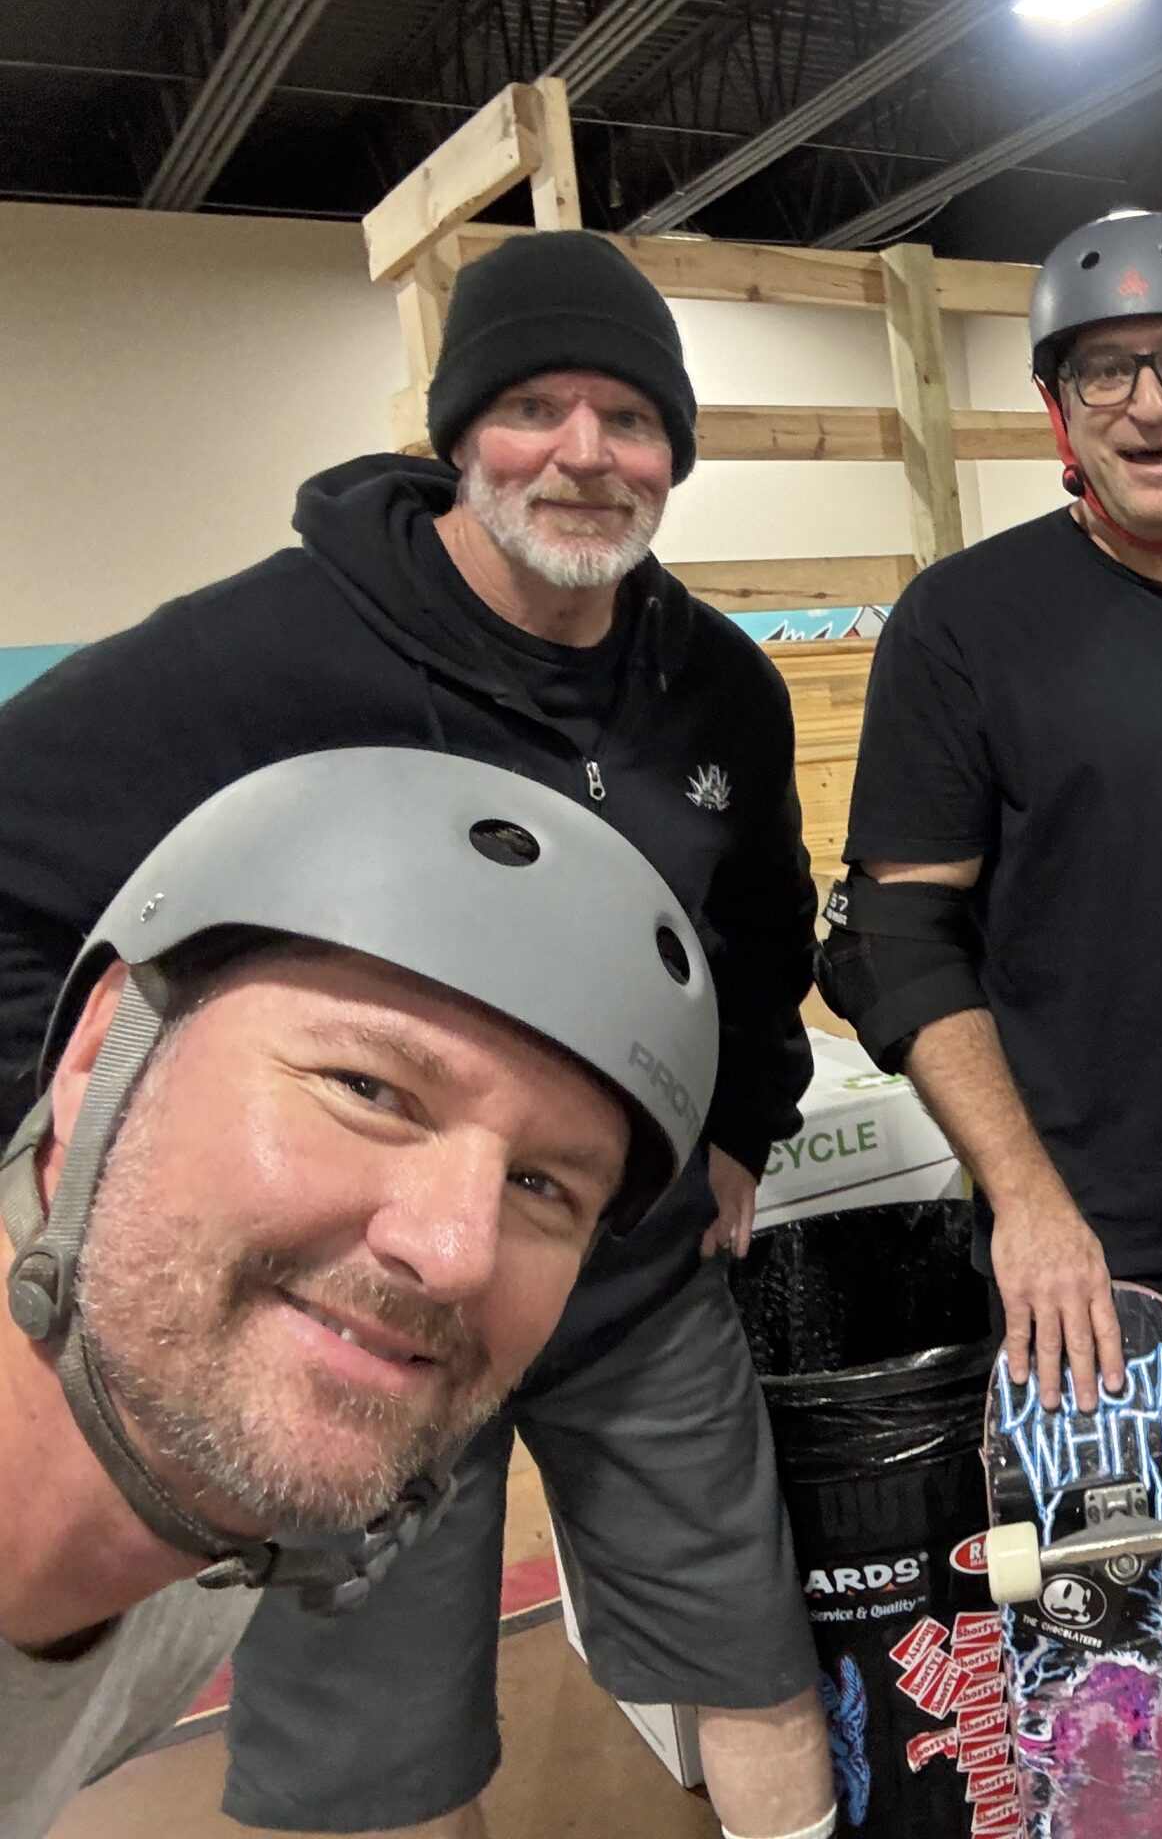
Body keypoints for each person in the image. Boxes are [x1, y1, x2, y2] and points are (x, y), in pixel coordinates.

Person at [0, 231, 836, 1839]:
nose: (585, 452)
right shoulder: (270, 654)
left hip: (631, 1286)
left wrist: (743, 1120)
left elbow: (761, 922)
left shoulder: (720, 686)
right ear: (458, 435)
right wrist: (69, 1147)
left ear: (673, 455)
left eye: (630, 417)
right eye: (534, 406)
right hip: (359, 1305)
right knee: (374, 1756)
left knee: (751, 1646)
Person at [2, 748, 718, 1839]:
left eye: (540, 1185)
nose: (454, 1251)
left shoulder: (210, 1522)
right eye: (369, 1090)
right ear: (103, 1054)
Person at [819, 209, 1162, 1504]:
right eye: (1103, 370)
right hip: (1096, 1275)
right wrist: (1028, 1204)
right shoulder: (965, 624)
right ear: (1059, 407)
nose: (1151, 403)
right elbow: (896, 940)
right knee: (1136, 1702)